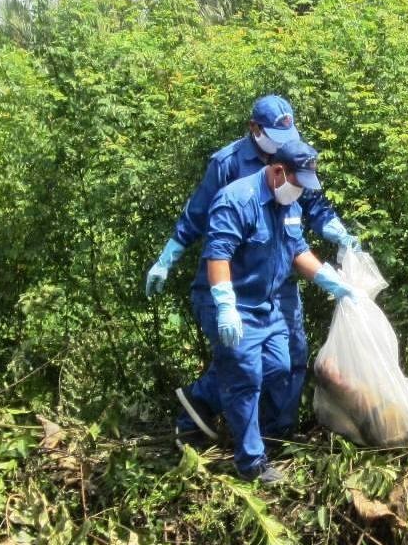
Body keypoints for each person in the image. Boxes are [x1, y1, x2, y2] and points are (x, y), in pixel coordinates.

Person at [145, 94, 358, 440]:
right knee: (244, 362)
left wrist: (339, 234)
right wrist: (168, 257)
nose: (282, 146)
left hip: (279, 275)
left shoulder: (292, 156)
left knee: (290, 356)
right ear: (254, 129)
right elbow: (198, 215)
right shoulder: (228, 165)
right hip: (235, 279)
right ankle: (210, 413)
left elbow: (312, 203)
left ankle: (276, 430)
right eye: (275, 136)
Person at [194, 141, 353, 483]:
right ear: (279, 171)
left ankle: (254, 433)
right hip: (236, 306)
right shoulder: (237, 200)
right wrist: (225, 307)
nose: (301, 192)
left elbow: (297, 250)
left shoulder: (289, 203)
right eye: (299, 183)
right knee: (245, 379)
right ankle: (250, 462)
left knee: (281, 368)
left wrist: (332, 282)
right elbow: (218, 256)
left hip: (268, 306)